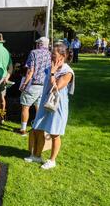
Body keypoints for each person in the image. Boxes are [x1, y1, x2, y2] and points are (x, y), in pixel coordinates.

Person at [25, 42, 75, 170]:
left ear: (62, 56)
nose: (51, 57)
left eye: (54, 55)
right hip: (45, 102)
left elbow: (56, 88)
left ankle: (52, 160)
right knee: (38, 128)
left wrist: (53, 73)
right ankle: (37, 155)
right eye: (51, 54)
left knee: (54, 133)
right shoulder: (50, 66)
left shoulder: (67, 72)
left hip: (57, 105)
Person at [17, 37, 51, 136]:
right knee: (39, 108)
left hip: (33, 84)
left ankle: (23, 130)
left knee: (25, 106)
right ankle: (37, 129)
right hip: (44, 85)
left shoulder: (34, 53)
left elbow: (30, 70)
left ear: (39, 44)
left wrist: (24, 83)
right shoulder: (50, 54)